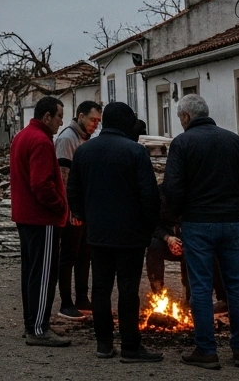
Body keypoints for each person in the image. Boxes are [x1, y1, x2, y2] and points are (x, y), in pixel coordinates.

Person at [161, 94, 239, 369]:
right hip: (231, 222)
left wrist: (180, 213)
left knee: (201, 288)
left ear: (186, 117)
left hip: (198, 222)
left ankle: (206, 350)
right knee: (236, 286)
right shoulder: (233, 140)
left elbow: (172, 187)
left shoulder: (183, 143)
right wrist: (236, 206)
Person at [67, 102, 162, 362]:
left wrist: (85, 218)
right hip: (130, 235)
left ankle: (104, 344)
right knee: (128, 290)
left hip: (98, 233)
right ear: (125, 122)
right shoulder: (135, 152)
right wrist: (148, 227)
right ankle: (131, 346)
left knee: (100, 289)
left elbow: (73, 190)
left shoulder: (85, 151)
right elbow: (149, 196)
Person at [10, 96, 71, 347]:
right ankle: (38, 328)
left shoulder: (22, 136)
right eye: (58, 116)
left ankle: (32, 323)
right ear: (46, 116)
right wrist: (60, 206)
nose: (61, 122)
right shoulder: (41, 141)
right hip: (41, 218)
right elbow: (41, 184)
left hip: (25, 217)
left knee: (32, 273)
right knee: (45, 274)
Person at [54, 100, 102, 319]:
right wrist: (72, 210)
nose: (95, 124)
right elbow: (64, 179)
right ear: (81, 116)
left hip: (84, 207)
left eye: (98, 121)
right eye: (92, 119)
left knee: (85, 254)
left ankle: (82, 297)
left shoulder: (85, 139)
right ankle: (66, 302)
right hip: (72, 209)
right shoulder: (67, 140)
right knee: (69, 256)